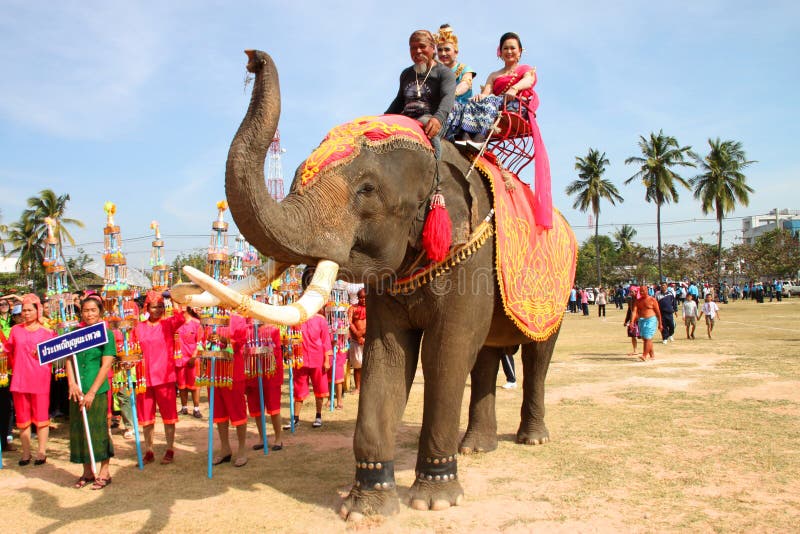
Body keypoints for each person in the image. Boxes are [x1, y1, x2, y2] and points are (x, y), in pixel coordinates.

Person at [65, 295, 117, 490]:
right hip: (77, 390)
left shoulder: (106, 334)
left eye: (93, 310)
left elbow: (106, 364)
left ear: (100, 312)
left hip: (97, 390)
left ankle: (104, 472)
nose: (89, 314)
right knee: (79, 430)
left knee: (98, 430)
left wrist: (92, 392)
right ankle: (87, 471)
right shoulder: (75, 333)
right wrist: (71, 383)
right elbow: (69, 358)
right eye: (86, 310)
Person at [133, 291, 185, 465]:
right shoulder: (138, 328)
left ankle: (170, 448)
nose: (158, 310)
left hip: (165, 376)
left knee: (168, 415)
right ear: (147, 307)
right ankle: (149, 450)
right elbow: (133, 351)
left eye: (161, 307)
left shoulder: (168, 324)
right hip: (144, 378)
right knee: (146, 417)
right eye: (155, 306)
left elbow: (181, 317)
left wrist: (174, 299)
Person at [4, 294, 55, 465]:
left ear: (37, 310)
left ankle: (41, 452)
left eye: (29, 310)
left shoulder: (48, 332)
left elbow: (56, 355)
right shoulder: (15, 330)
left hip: (40, 380)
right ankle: (26, 453)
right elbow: (7, 351)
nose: (25, 313)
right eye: (23, 310)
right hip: (19, 380)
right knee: (23, 419)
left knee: (41, 418)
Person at [386, 29, 456, 142]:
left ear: (433, 49)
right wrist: (383, 118)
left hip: (429, 119)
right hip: (406, 119)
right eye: (413, 48)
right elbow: (399, 101)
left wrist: (437, 119)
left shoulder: (444, 73)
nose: (418, 51)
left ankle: (437, 159)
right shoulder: (406, 74)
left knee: (429, 135)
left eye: (422, 46)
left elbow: (448, 98)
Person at [210, 314, 250, 467]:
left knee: (237, 411)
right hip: (214, 371)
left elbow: (240, 342)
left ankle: (241, 449)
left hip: (233, 371)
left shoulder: (238, 318)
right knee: (219, 412)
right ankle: (225, 447)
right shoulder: (210, 315)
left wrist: (223, 339)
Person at [246, 321, 284, 452]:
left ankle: (278, 438)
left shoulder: (273, 330)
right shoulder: (248, 330)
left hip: (270, 373)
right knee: (256, 408)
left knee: (274, 408)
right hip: (252, 373)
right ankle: (262, 438)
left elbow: (276, 351)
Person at [435, 24, 477, 140]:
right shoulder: (436, 71)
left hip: (458, 107)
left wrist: (450, 95)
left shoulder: (464, 69)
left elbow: (465, 84)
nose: (443, 53)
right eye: (440, 50)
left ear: (456, 52)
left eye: (447, 49)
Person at [175, 306, 203, 419]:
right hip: (179, 358)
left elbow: (200, 342)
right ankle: (184, 407)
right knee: (181, 385)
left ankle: (196, 408)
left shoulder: (196, 324)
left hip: (193, 358)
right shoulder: (177, 324)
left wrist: (194, 356)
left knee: (195, 385)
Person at [630, 287, 662, 361]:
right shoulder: (638, 301)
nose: (641, 293)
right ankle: (652, 355)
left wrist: (660, 323)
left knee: (647, 338)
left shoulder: (652, 300)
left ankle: (644, 355)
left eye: (643, 291)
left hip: (650, 320)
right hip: (641, 320)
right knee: (645, 338)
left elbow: (658, 312)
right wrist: (632, 321)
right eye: (640, 291)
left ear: (647, 291)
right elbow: (634, 311)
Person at [347, 288, 366, 393]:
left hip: (368, 340)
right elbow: (349, 322)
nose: (363, 300)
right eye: (361, 298)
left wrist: (362, 333)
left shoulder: (372, 309)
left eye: (365, 297)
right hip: (356, 341)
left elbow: (373, 322)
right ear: (358, 298)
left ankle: (366, 387)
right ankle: (358, 388)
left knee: (368, 365)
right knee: (357, 366)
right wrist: (357, 335)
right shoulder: (352, 309)